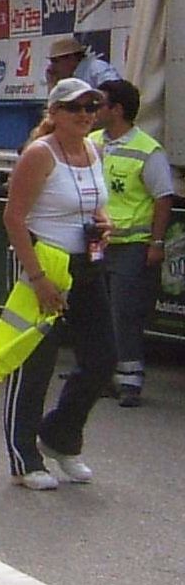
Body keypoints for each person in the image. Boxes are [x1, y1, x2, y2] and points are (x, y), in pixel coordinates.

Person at [0, 78, 116, 490]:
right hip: (44, 264)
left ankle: (60, 435)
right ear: (55, 113)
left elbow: (96, 205)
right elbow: (14, 218)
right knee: (35, 365)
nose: (85, 115)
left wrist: (104, 224)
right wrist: (37, 277)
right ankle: (24, 458)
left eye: (91, 107)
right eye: (75, 108)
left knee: (103, 358)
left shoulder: (94, 149)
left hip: (85, 266)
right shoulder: (39, 154)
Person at [90, 79, 174, 407]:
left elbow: (163, 197)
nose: (94, 110)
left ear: (118, 110)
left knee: (124, 312)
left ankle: (130, 378)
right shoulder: (93, 142)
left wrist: (156, 242)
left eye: (100, 104)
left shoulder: (147, 150)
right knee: (97, 311)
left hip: (132, 244)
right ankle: (103, 374)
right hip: (98, 242)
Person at [45, 36, 120, 90]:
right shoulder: (70, 78)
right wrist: (52, 84)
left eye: (54, 61)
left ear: (71, 58)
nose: (51, 66)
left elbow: (116, 91)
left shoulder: (97, 68)